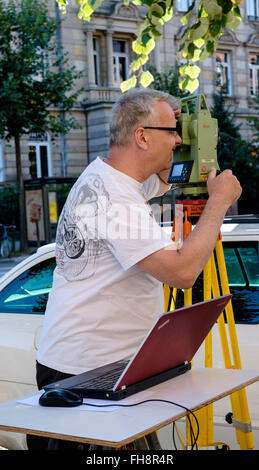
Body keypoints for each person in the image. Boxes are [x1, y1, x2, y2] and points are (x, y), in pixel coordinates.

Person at [33, 88, 242, 449]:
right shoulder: (116, 200)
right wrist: (219, 202)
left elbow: (163, 179)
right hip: (86, 372)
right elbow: (182, 272)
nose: (178, 139)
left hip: (105, 364)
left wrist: (196, 140)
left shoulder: (111, 177)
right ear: (142, 136)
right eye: (172, 132)